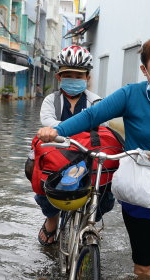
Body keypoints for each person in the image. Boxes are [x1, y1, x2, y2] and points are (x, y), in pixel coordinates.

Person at [37, 36, 150, 280]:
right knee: (143, 267)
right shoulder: (131, 95)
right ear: (144, 69)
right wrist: (58, 131)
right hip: (137, 192)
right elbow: (92, 116)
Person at [30, 45, 112, 245]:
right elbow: (47, 122)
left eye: (78, 75)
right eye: (68, 75)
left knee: (107, 194)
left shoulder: (96, 101)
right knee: (41, 183)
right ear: (59, 77)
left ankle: (90, 220)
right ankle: (52, 220)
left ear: (87, 78)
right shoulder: (51, 100)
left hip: (87, 155)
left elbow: (104, 129)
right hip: (57, 154)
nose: (73, 79)